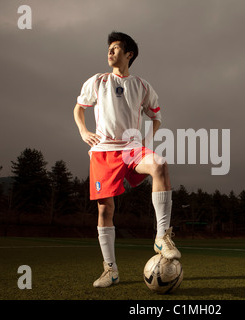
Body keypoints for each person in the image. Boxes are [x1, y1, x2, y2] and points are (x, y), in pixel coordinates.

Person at [73, 31, 181, 288]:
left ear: (129, 54)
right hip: (103, 150)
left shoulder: (142, 86)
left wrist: (145, 141)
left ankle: (161, 236)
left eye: (116, 48)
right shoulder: (98, 81)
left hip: (131, 147)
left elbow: (156, 117)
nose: (110, 52)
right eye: (108, 48)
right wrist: (83, 131)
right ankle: (110, 270)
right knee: (104, 209)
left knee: (160, 164)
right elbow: (79, 107)